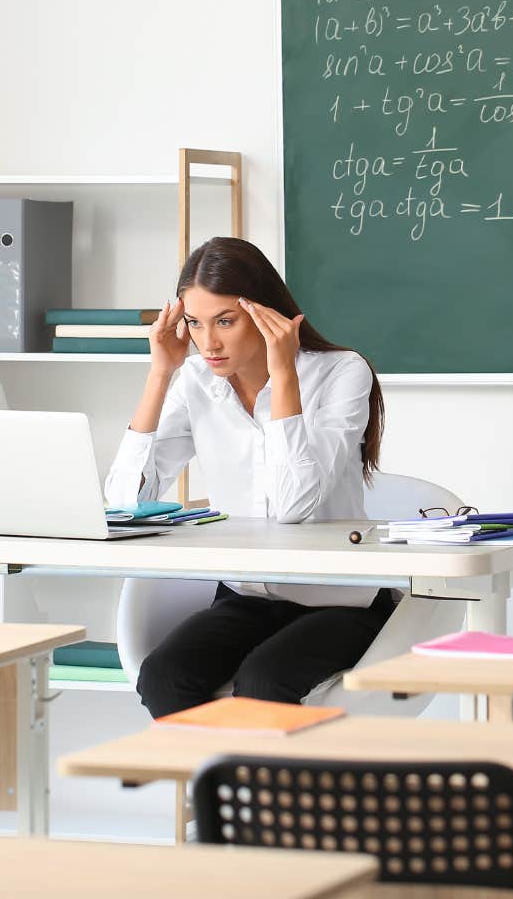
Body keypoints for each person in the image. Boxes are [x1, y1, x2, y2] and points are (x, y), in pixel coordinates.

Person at [104, 237, 392, 718]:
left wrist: (284, 375)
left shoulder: (342, 372)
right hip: (247, 595)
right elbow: (123, 503)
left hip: (341, 599)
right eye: (194, 323)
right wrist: (160, 374)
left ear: (264, 313)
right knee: (164, 677)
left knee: (264, 681)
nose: (208, 342)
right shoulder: (195, 380)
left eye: (225, 321)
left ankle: (268, 793)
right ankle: (218, 790)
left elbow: (293, 507)